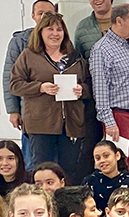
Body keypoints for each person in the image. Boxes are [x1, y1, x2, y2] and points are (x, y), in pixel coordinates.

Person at [89, 4, 129, 215]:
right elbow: (100, 89)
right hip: (120, 117)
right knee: (121, 164)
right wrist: (109, 122)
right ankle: (122, 208)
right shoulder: (102, 50)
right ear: (119, 21)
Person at [10, 11, 90, 176]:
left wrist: (82, 90)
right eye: (50, 29)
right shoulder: (28, 56)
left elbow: (90, 85)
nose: (55, 33)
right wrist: (40, 88)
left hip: (71, 124)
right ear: (40, 32)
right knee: (43, 169)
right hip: (41, 123)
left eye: (59, 29)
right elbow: (15, 85)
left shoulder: (75, 57)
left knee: (70, 169)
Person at [2, 0, 58, 168]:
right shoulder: (20, 41)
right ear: (33, 15)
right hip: (31, 113)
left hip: (57, 114)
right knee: (33, 161)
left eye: (49, 13)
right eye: (41, 13)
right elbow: (9, 77)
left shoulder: (60, 39)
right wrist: (13, 110)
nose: (45, 17)